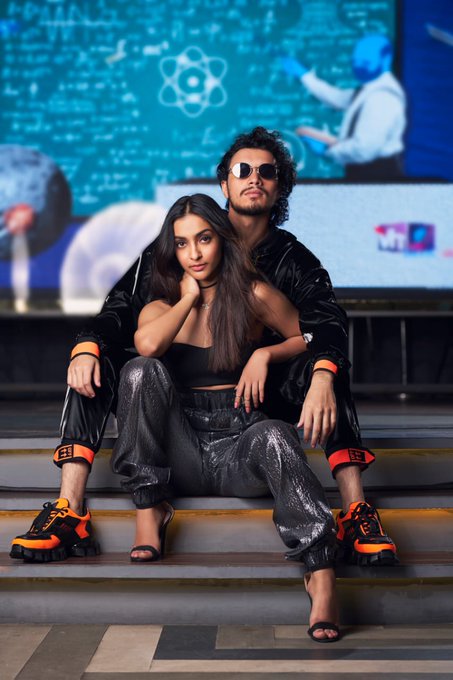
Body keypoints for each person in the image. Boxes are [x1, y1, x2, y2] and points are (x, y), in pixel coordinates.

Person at [10, 126, 397, 567]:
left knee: (327, 363)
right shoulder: (186, 238)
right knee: (99, 357)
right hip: (175, 405)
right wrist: (86, 345)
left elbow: (325, 324)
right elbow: (120, 307)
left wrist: (292, 363)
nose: (255, 178)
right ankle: (69, 508)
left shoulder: (293, 261)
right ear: (224, 184)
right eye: (243, 170)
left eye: (267, 172)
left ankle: (355, 510)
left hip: (259, 402)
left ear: (281, 186)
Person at [111, 193, 340, 642]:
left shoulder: (254, 295)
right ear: (172, 251)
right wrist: (188, 298)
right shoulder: (160, 306)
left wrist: (264, 354)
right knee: (139, 372)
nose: (194, 253)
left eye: (204, 239)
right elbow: (147, 348)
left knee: (276, 434)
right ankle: (150, 508)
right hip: (180, 447)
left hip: (239, 439)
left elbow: (308, 336)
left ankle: (322, 574)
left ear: (222, 240)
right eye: (182, 244)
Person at [281, 34, 406, 180]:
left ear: (386, 59)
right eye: (355, 61)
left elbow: (363, 151)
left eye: (365, 62)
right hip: (368, 172)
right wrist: (304, 75)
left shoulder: (382, 98)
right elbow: (338, 98)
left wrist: (327, 149)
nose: (358, 66)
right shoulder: (369, 89)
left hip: (376, 174)